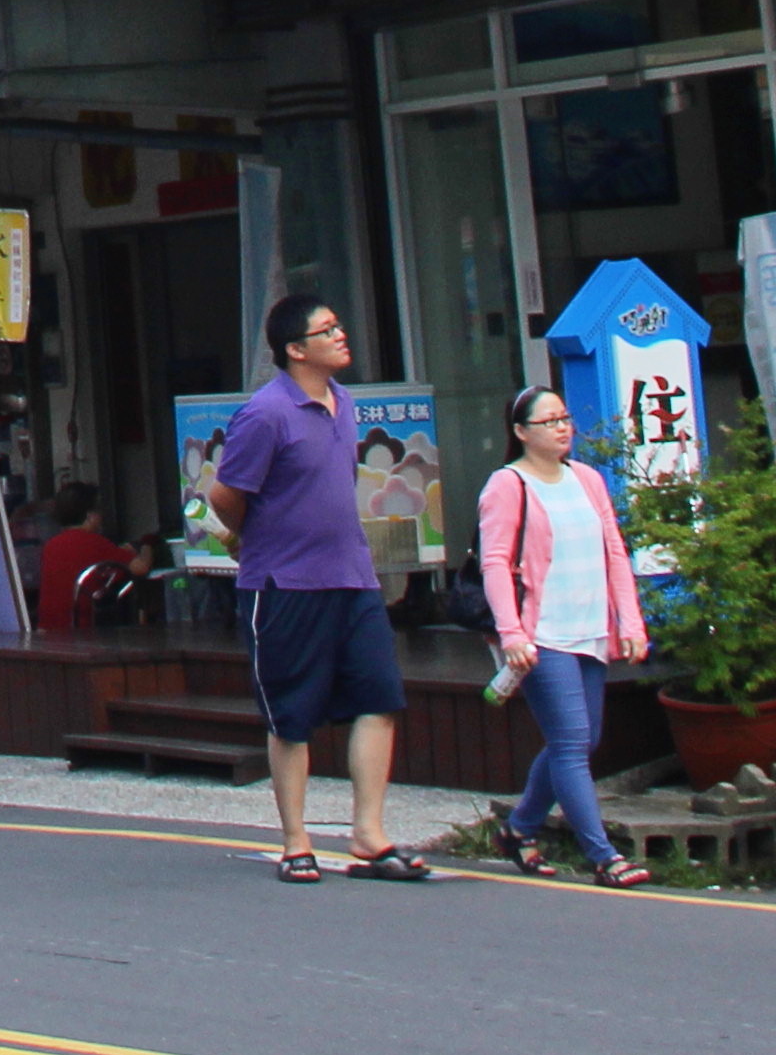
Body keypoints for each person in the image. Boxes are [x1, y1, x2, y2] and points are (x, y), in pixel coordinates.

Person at [210, 292, 425, 884]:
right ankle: (296, 840)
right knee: (291, 715)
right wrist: (258, 538)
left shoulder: (344, 402)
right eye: (326, 329)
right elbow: (225, 494)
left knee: (380, 698)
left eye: (338, 324)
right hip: (284, 583)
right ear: (295, 349)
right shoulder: (266, 413)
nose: (341, 334)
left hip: (352, 576)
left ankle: (369, 834)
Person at [478, 383, 654, 887]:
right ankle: (603, 857)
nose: (562, 429)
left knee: (579, 739)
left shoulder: (588, 479)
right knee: (573, 742)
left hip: (591, 628)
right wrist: (511, 632)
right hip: (542, 635)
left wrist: (631, 622)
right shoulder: (508, 485)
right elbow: (494, 563)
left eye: (564, 418)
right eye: (548, 421)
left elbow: (615, 552)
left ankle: (519, 828)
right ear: (520, 432)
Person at [32, 484, 137, 637]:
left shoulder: (50, 545)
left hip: (46, 630)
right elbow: (140, 567)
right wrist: (148, 545)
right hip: (81, 631)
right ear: (90, 516)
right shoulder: (95, 542)